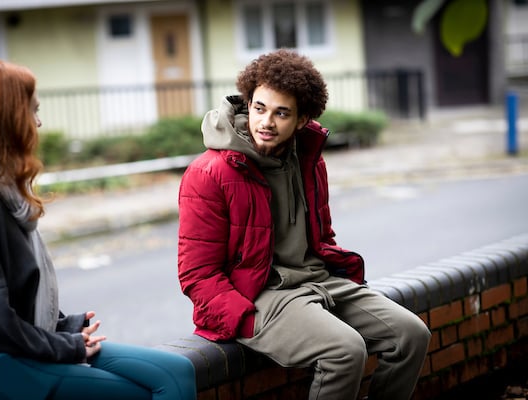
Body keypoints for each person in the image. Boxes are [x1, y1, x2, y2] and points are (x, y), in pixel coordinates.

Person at [0, 58, 196, 400]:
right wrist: (64, 346)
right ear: (5, 119)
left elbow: (14, 295)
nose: (38, 123)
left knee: (177, 370)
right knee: (153, 390)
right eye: (31, 111)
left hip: (14, 348)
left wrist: (64, 326)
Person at [177, 49, 431, 400]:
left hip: (317, 281)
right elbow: (197, 274)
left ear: (301, 120)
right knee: (345, 351)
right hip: (259, 295)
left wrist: (340, 270)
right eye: (259, 108)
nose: (266, 122)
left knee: (411, 335)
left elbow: (321, 235)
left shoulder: (308, 159)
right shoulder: (209, 174)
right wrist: (243, 319)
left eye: (281, 113)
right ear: (248, 104)